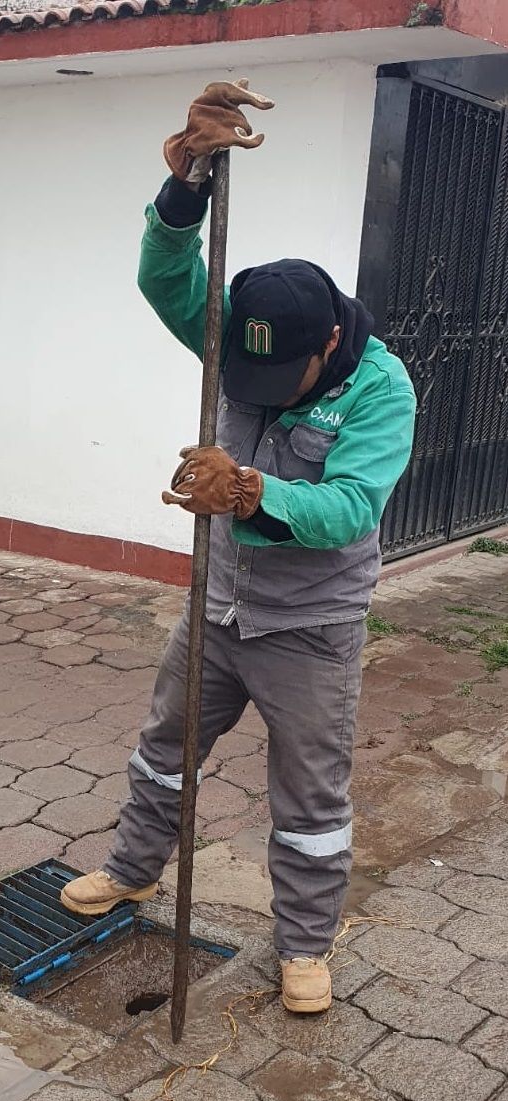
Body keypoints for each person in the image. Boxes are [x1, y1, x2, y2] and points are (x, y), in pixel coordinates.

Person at [61, 81, 417, 1014]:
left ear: (329, 341)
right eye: (240, 377)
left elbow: (348, 509)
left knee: (307, 800)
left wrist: (253, 488)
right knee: (161, 749)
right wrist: (185, 191)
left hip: (308, 628)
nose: (251, 392)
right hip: (213, 604)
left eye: (275, 380)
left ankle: (303, 945)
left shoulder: (381, 390)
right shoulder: (243, 329)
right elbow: (164, 283)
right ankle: (132, 870)